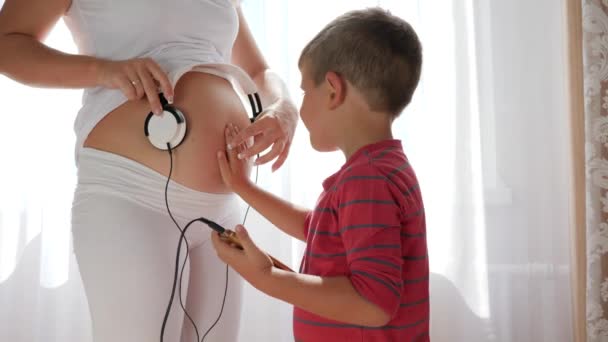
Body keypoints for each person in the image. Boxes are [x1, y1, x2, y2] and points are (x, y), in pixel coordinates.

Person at [0, 0, 298, 341]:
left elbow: (259, 72)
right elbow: (7, 44)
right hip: (130, 195)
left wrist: (284, 106)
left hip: (223, 211)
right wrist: (105, 70)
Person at [213, 7, 429, 341]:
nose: (301, 105)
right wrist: (243, 188)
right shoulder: (383, 169)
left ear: (332, 89)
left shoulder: (367, 181)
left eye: (303, 91)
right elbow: (316, 229)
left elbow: (374, 304)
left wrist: (268, 277)